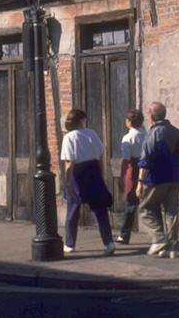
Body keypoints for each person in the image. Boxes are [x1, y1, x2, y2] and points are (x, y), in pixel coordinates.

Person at [136, 101, 179, 259]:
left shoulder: (152, 134)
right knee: (171, 212)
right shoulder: (175, 131)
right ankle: (172, 248)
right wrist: (176, 162)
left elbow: (146, 160)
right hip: (174, 176)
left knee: (145, 209)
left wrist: (140, 182)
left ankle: (159, 238)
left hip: (156, 178)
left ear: (151, 116)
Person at [60, 109, 115, 256]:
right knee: (100, 210)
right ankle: (109, 242)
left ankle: (70, 243)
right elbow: (100, 155)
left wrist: (66, 181)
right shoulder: (92, 133)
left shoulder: (69, 137)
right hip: (94, 170)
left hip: (78, 173)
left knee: (72, 210)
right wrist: (101, 174)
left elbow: (69, 163)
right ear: (82, 120)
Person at [115, 109, 146, 244]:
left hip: (134, 168)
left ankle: (124, 234)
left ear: (129, 122)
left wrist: (121, 176)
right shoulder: (147, 135)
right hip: (148, 167)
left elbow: (126, 159)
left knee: (131, 202)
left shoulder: (128, 138)